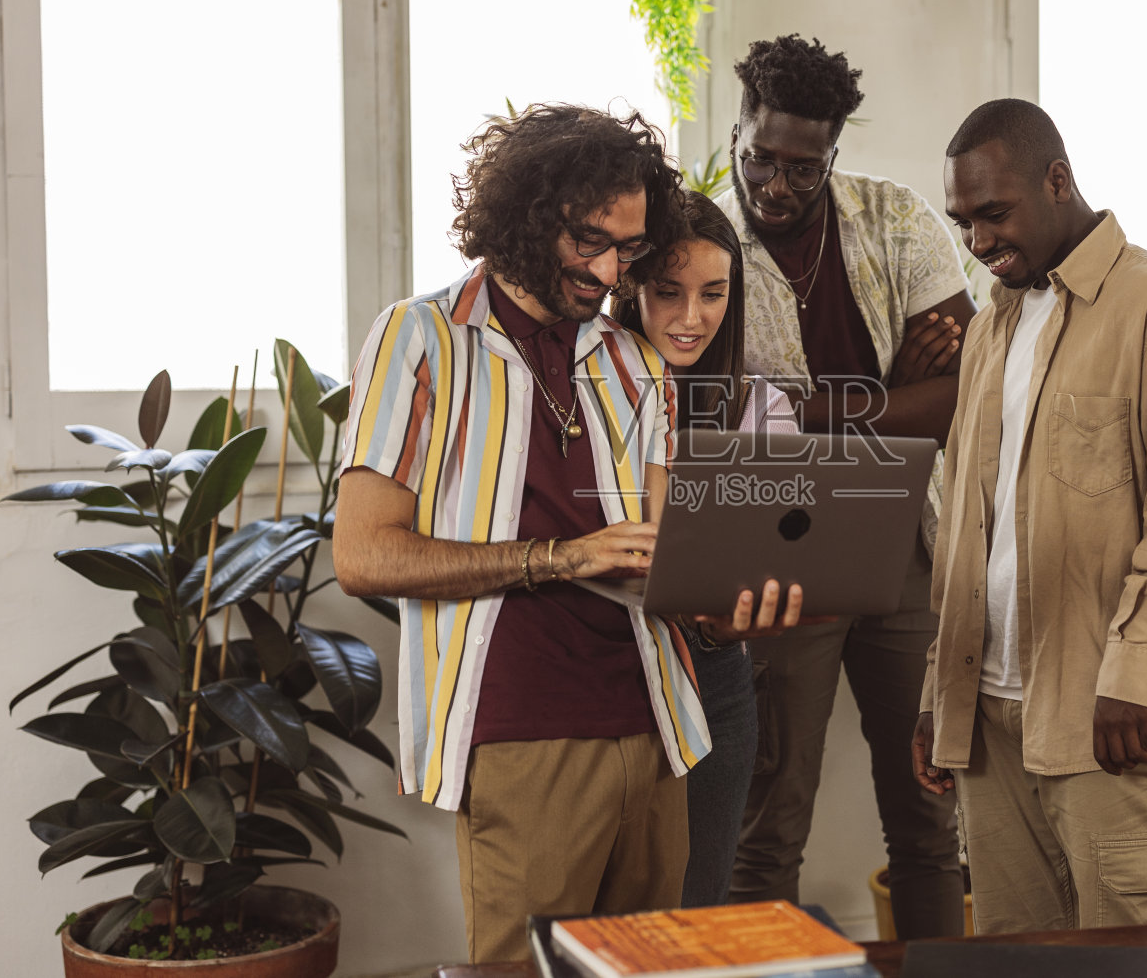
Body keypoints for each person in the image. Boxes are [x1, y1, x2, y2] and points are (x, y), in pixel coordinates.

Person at [331, 104, 803, 963]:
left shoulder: (633, 361)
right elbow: (364, 556)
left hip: (662, 725)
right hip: (523, 732)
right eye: (592, 241)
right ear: (526, 217)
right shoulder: (420, 340)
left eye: (628, 247)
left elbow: (667, 558)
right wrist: (559, 557)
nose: (611, 268)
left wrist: (734, 608)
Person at [914, 98, 1147, 933]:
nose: (979, 242)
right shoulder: (992, 326)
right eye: (964, 222)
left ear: (1058, 180)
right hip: (990, 730)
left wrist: (1135, 669)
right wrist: (939, 690)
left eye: (995, 214)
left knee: (1133, 965)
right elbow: (966, 527)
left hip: (1114, 727)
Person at [713, 33, 974, 939]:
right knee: (768, 821)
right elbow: (716, 423)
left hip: (902, 535)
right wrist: (888, 389)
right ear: (735, 130)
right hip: (780, 551)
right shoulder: (701, 249)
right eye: (760, 159)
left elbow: (957, 399)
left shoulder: (894, 218)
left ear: (834, 154)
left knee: (929, 813)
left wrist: (813, 412)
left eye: (803, 168)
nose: (776, 186)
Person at [610, 189, 798, 908]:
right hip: (606, 662)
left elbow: (773, 547)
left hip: (714, 672)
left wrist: (740, 609)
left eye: (714, 294)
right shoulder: (587, 387)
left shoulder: (759, 406)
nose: (693, 318)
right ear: (632, 289)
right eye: (669, 292)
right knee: (607, 913)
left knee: (698, 901)